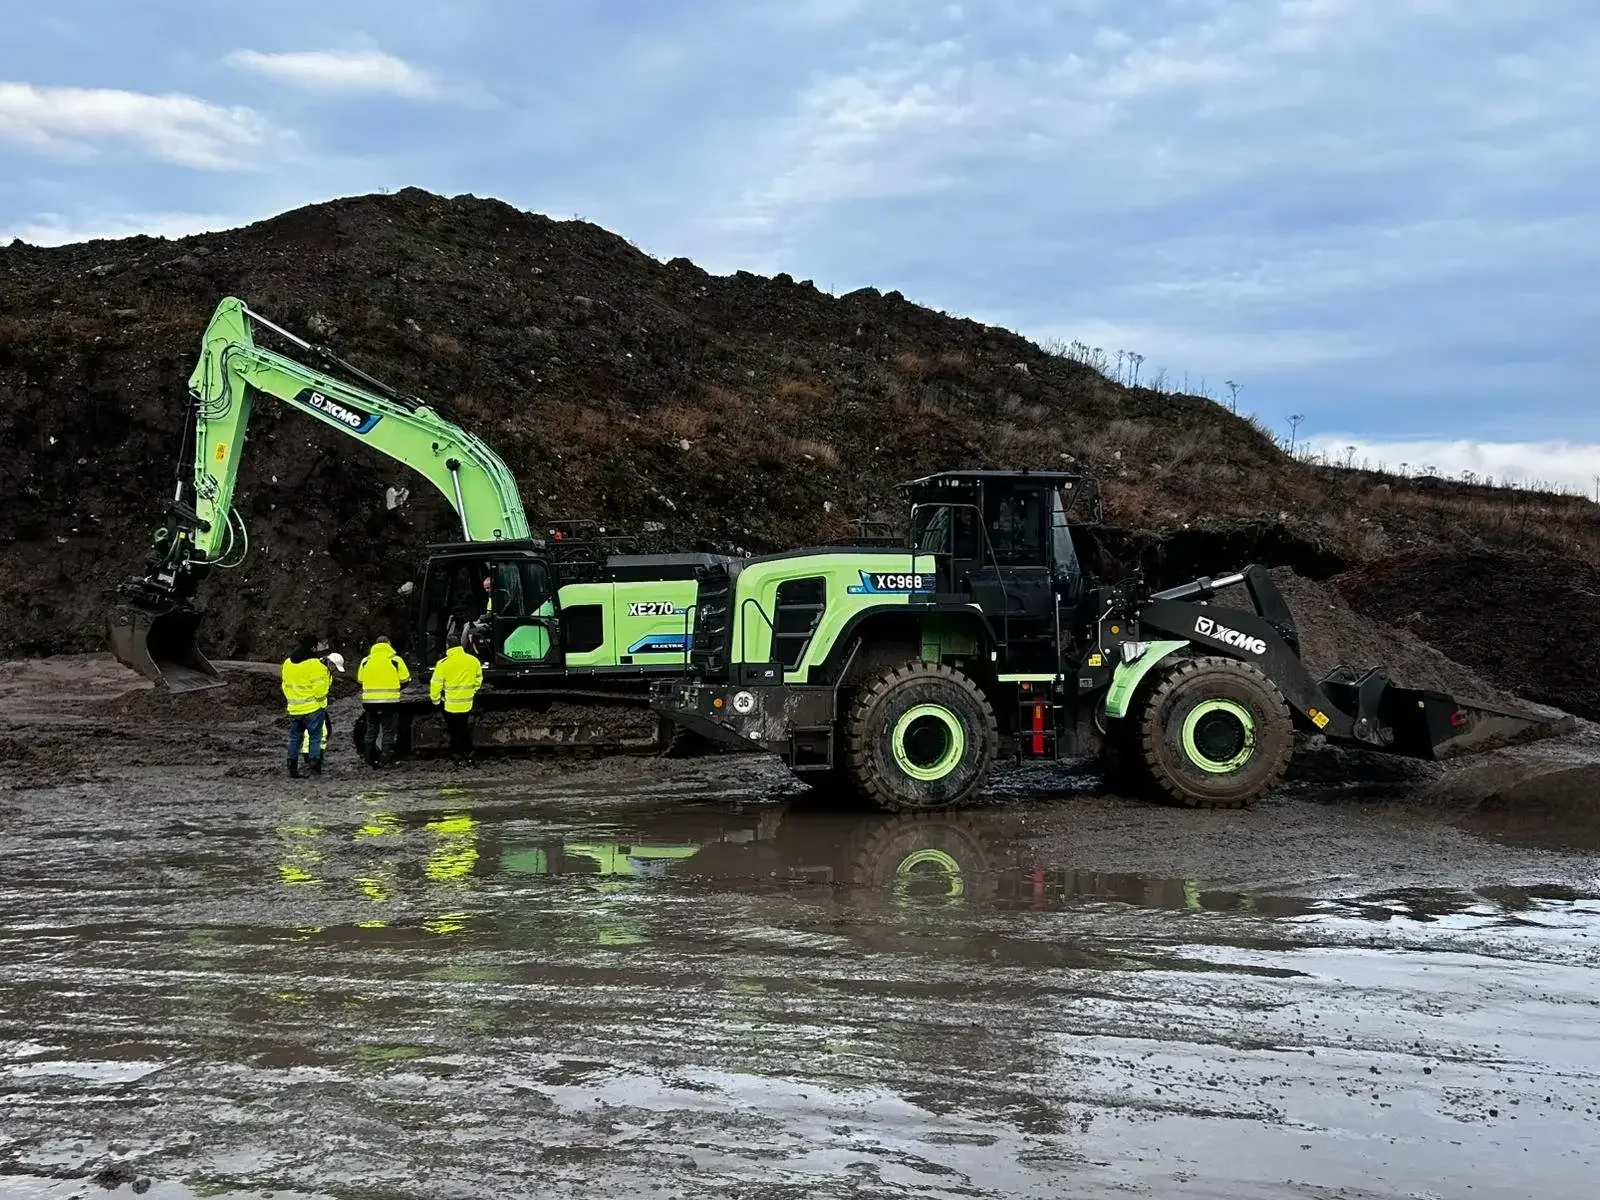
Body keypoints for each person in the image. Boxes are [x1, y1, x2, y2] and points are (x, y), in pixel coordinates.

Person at [282, 636, 332, 777]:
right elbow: (320, 690)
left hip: (294, 708)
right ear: (313, 648)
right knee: (315, 737)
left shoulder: (287, 663)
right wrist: (322, 703)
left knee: (295, 738)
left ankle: (292, 767)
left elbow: (285, 685)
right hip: (313, 708)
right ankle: (314, 767)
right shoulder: (316, 665)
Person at [357, 636, 411, 767]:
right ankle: (386, 759)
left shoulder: (365, 661)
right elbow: (405, 679)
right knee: (388, 730)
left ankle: (369, 759)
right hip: (389, 702)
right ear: (389, 644)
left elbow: (360, 680)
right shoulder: (395, 660)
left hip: (369, 703)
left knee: (371, 729)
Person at [429, 642, 484, 766]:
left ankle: (456, 756)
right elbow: (478, 678)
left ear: (448, 645)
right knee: (463, 727)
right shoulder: (473, 660)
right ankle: (469, 755)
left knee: (455, 730)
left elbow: (436, 684)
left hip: (450, 704)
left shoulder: (443, 663)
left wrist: (436, 700)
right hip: (467, 703)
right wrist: (472, 691)